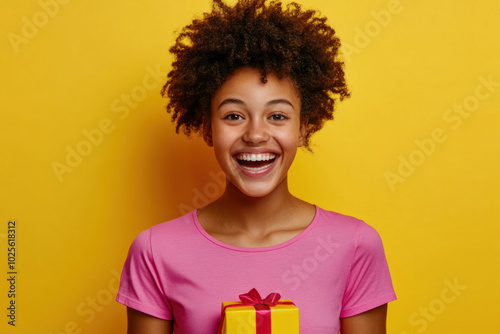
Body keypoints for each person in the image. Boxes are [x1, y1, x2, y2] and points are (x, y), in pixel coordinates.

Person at [116, 0, 397, 333]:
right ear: (208, 129)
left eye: (277, 116)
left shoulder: (354, 246)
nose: (255, 134)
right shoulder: (155, 251)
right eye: (234, 116)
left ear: (303, 128)